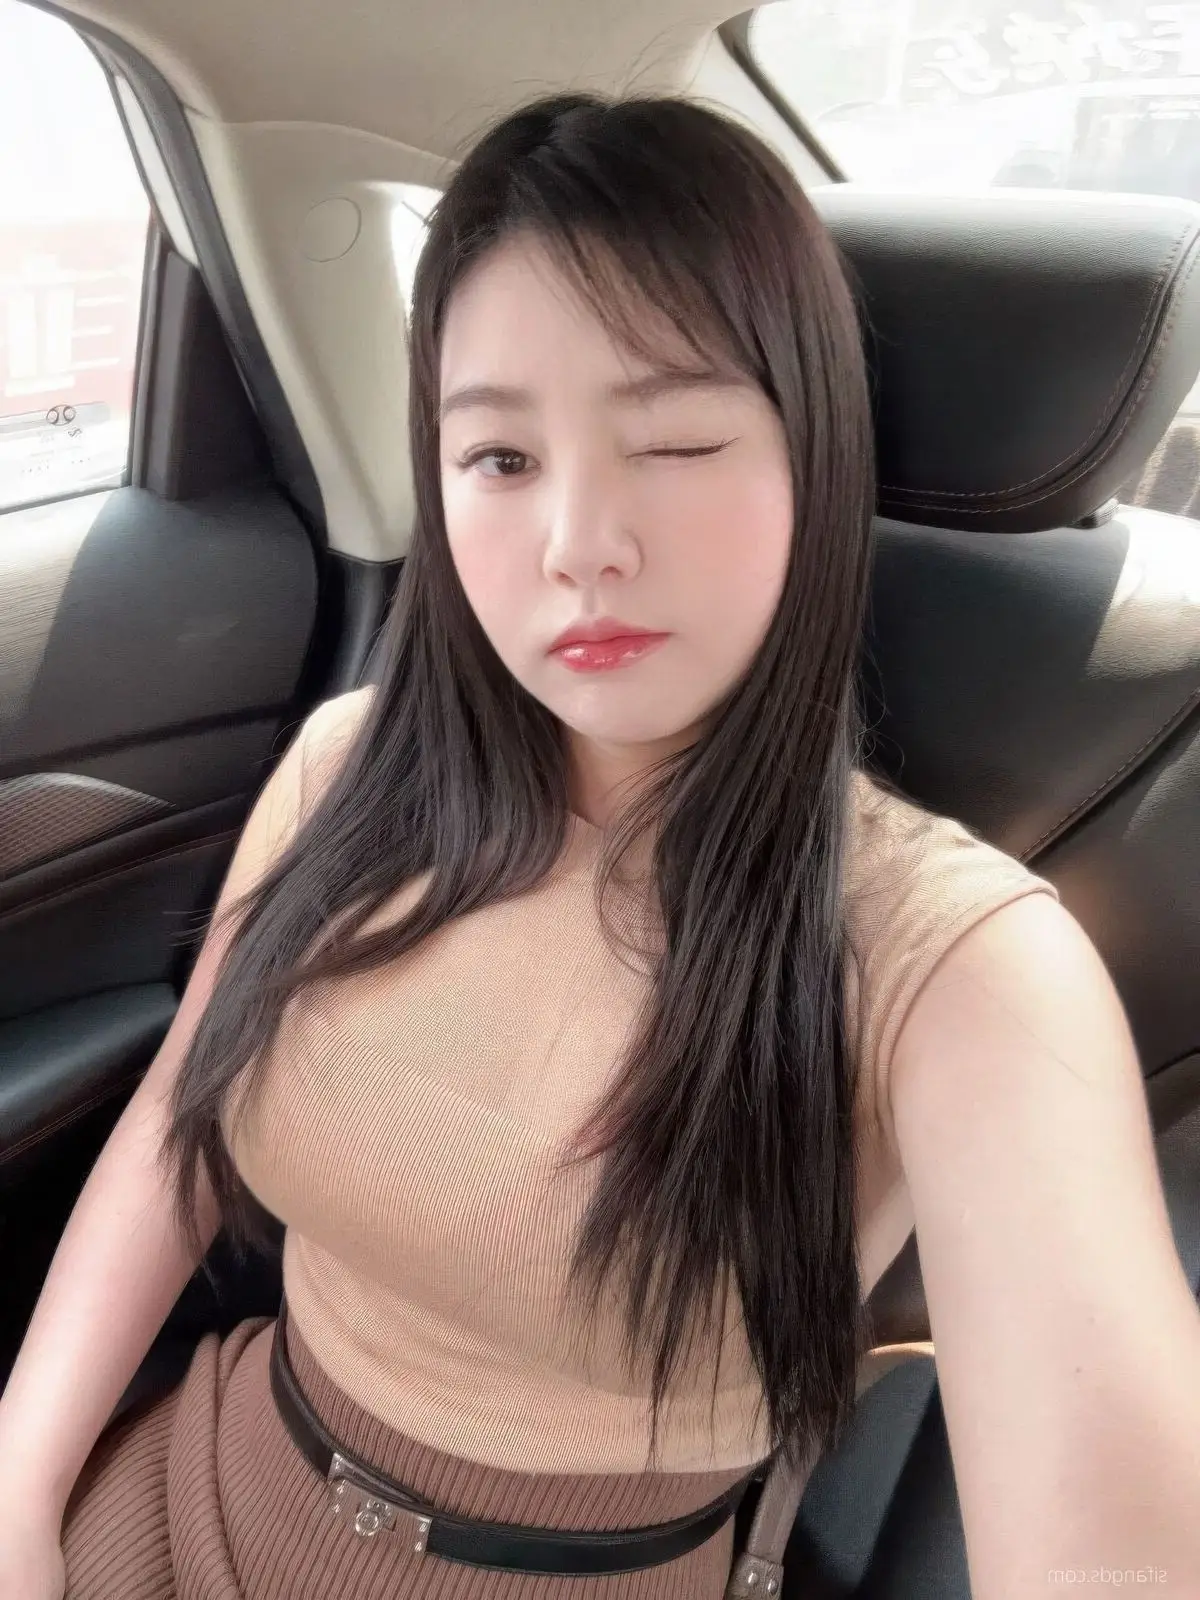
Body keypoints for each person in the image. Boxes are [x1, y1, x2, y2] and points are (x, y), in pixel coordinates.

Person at [1, 90, 1198, 1600]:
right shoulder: (343, 768)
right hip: (185, 1489)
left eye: (676, 439)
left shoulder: (956, 965)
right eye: (501, 458)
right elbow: (172, 1135)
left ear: (815, 457)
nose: (580, 544)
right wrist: (22, 1478)